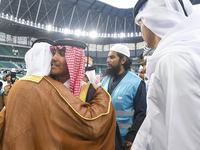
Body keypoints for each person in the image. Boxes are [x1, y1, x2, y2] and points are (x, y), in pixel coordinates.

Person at [0, 38, 116, 149]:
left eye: (61, 54)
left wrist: (100, 92)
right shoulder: (43, 88)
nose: (53, 58)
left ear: (74, 60)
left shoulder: (91, 91)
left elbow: (95, 127)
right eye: (54, 53)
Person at [131, 0, 200, 149]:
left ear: (152, 18)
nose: (141, 30)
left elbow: (186, 139)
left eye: (140, 23)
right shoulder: (173, 57)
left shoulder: (174, 60)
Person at [101, 44, 146, 150]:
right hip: (104, 137)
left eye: (112, 57)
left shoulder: (137, 83)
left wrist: (131, 137)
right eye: (108, 57)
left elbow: (141, 113)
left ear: (123, 60)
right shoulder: (105, 80)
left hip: (124, 140)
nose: (108, 60)